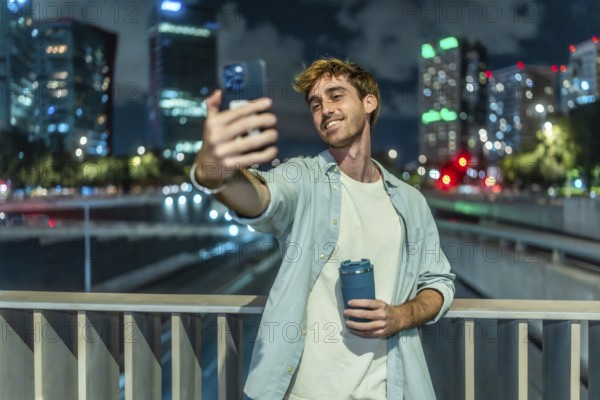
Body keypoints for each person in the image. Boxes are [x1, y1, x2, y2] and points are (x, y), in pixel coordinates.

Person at [191, 58, 455, 399]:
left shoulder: (410, 202)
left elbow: (438, 281)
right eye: (316, 104)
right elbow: (260, 198)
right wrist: (215, 168)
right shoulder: (303, 177)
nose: (325, 109)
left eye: (335, 96)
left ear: (369, 102)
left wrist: (402, 315)